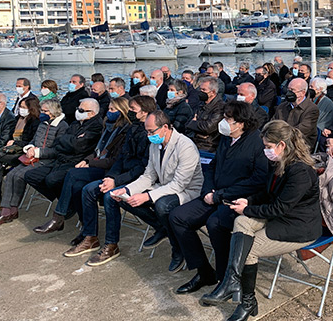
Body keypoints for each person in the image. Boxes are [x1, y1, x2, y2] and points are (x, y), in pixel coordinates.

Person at [200, 121, 321, 321]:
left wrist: (247, 208)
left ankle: (247, 301)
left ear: (282, 145)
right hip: (280, 218)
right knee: (242, 222)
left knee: (249, 248)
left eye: (267, 147)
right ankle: (232, 281)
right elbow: (267, 193)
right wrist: (250, 201)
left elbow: (278, 208)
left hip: (298, 227)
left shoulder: (300, 171)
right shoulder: (280, 162)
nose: (265, 151)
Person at [169, 101, 269, 293]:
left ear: (240, 123)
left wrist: (221, 195)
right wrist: (208, 190)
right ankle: (204, 271)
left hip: (237, 197)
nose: (223, 121)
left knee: (216, 224)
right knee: (178, 217)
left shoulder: (257, 142)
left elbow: (258, 179)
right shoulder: (226, 137)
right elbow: (213, 165)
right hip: (214, 193)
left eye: (227, 118)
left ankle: (226, 278)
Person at [103, 111, 204, 271]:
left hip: (187, 191)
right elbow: (149, 176)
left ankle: (177, 248)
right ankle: (162, 227)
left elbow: (179, 184)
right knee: (124, 197)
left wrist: (147, 196)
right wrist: (127, 189)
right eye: (147, 131)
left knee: (162, 205)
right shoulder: (155, 145)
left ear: (165, 127)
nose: (148, 135)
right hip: (164, 187)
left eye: (151, 131)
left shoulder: (185, 146)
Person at [64, 96, 153, 258]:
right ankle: (90, 237)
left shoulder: (150, 133)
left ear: (145, 112)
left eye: (133, 109)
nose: (130, 112)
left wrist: (116, 181)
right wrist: (111, 177)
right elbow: (121, 159)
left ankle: (111, 244)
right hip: (120, 174)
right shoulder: (133, 128)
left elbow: (143, 168)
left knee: (110, 196)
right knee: (87, 190)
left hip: (138, 178)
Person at [32, 97, 132, 235]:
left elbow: (113, 159)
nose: (108, 112)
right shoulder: (108, 126)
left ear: (122, 111)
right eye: (109, 108)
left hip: (109, 170)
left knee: (71, 174)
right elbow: (95, 150)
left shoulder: (122, 131)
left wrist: (90, 161)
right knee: (78, 187)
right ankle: (87, 230)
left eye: (112, 109)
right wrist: (87, 160)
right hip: (91, 161)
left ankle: (59, 216)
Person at [0, 100, 68, 227]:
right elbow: (33, 140)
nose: (42, 113)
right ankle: (8, 209)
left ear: (53, 112)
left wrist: (38, 152)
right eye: (42, 110)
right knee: (11, 175)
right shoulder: (42, 124)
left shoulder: (62, 126)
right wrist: (29, 148)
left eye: (45, 111)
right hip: (31, 157)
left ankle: (10, 210)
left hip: (46, 160)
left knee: (19, 176)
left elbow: (58, 150)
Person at [23, 98, 104, 208]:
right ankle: (64, 200)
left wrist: (68, 140)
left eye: (81, 110)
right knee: (31, 175)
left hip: (76, 161)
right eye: (78, 109)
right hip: (62, 157)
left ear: (92, 113)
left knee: (52, 179)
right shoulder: (76, 123)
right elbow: (60, 141)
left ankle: (67, 204)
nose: (77, 111)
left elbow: (78, 146)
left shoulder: (96, 125)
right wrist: (71, 140)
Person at [0, 96, 42, 216]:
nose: (21, 109)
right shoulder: (17, 119)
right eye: (20, 107)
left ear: (31, 109)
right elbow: (9, 136)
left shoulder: (35, 122)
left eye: (24, 107)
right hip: (12, 150)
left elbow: (32, 142)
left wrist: (16, 143)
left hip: (23, 153)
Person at [272, 77, 319, 150]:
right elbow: (273, 123)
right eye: (288, 89)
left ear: (303, 92)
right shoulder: (282, 106)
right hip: (280, 142)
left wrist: (281, 136)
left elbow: (301, 131)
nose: (289, 92)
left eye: (292, 90)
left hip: (300, 145)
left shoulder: (311, 109)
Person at [186, 76, 226, 153]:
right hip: (193, 140)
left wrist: (194, 123)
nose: (201, 92)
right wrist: (193, 124)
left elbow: (208, 127)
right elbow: (188, 123)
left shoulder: (220, 107)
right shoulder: (200, 104)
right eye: (200, 89)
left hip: (208, 145)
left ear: (213, 92)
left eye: (204, 90)